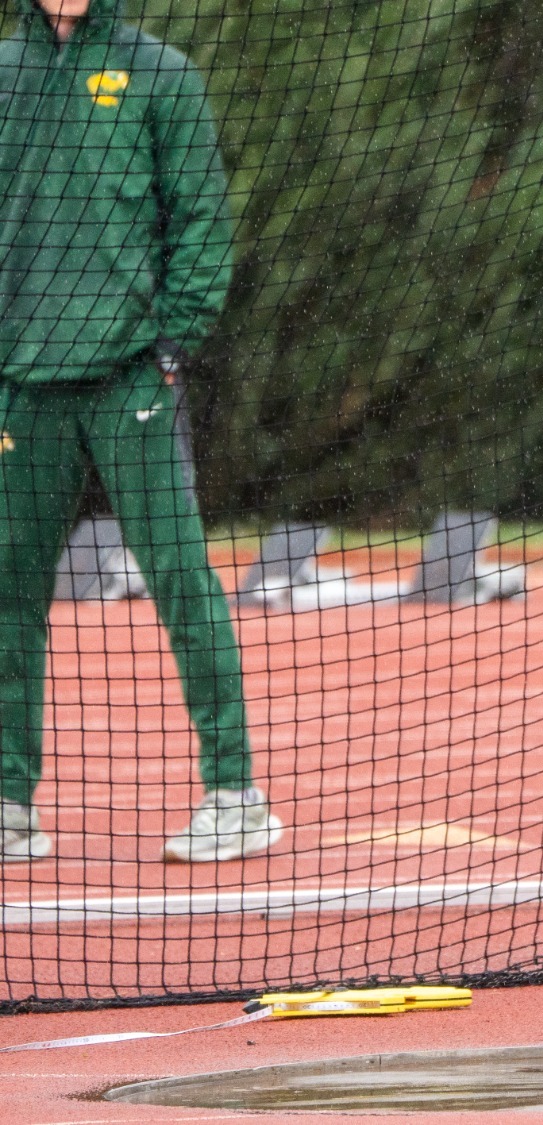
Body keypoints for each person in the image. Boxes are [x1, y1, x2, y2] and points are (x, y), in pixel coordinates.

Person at [0, 0, 281, 863]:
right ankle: (9, 802)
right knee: (8, 598)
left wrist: (171, 341)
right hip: (22, 387)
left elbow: (203, 220)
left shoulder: (161, 73)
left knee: (181, 580)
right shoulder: (4, 74)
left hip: (132, 382)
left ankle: (235, 792)